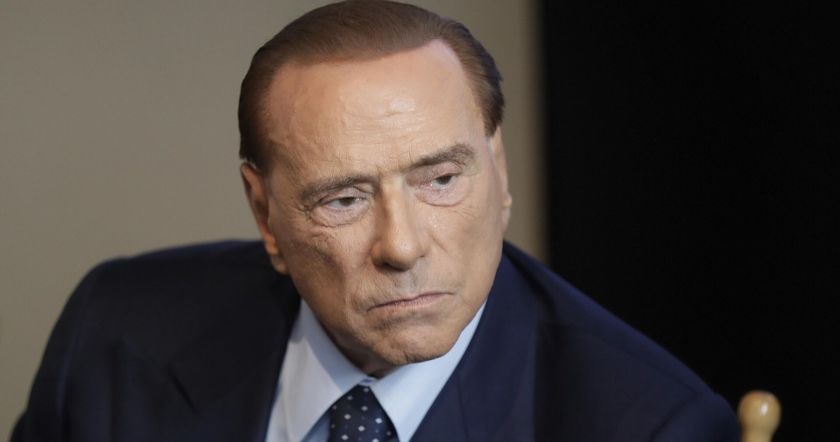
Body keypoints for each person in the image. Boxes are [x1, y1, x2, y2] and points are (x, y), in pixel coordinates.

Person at [12, 1, 739, 441]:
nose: (403, 245)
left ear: (500, 173)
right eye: (345, 199)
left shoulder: (648, 425)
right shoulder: (115, 337)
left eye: (442, 179)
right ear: (265, 213)